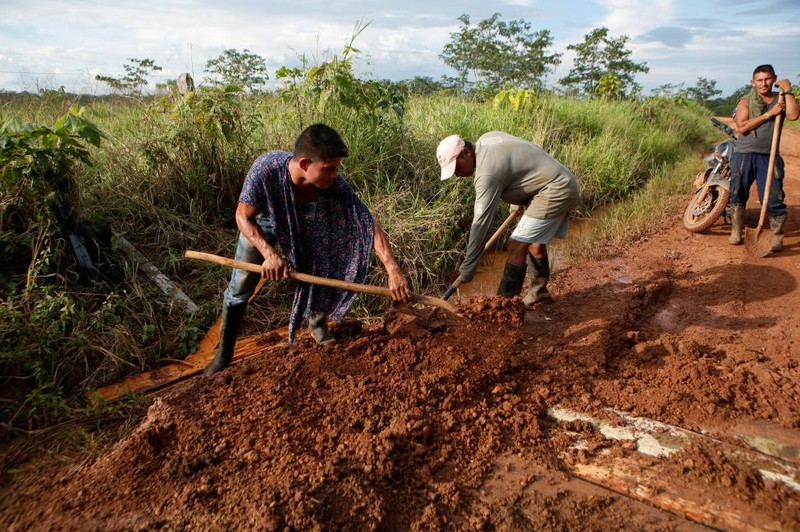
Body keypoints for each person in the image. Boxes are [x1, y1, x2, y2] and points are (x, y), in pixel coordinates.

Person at [205, 123, 413, 376]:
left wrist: (392, 269)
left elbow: (367, 223)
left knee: (323, 264)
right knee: (240, 286)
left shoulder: (333, 184)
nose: (335, 174)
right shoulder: (266, 169)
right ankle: (224, 355)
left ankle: (318, 325)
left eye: (336, 168)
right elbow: (242, 216)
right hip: (265, 219)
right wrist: (270, 255)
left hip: (310, 216)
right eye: (329, 169)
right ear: (304, 164)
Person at [436, 131, 580, 304]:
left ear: (466, 153)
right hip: (557, 182)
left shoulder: (486, 174)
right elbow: (517, 161)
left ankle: (504, 307)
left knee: (517, 244)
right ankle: (539, 293)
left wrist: (469, 266)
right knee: (533, 243)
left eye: (456, 167)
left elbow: (481, 223)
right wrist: (519, 196)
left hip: (556, 188)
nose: (457, 174)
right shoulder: (486, 140)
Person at [728, 64, 799, 250]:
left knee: (773, 197)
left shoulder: (780, 99)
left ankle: (776, 235)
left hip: (769, 156)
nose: (763, 83)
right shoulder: (745, 101)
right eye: (759, 80)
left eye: (767, 79)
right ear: (753, 82)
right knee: (738, 192)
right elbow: (742, 127)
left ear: (774, 79)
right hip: (743, 154)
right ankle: (736, 230)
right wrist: (769, 114)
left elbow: (792, 116)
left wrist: (788, 90)